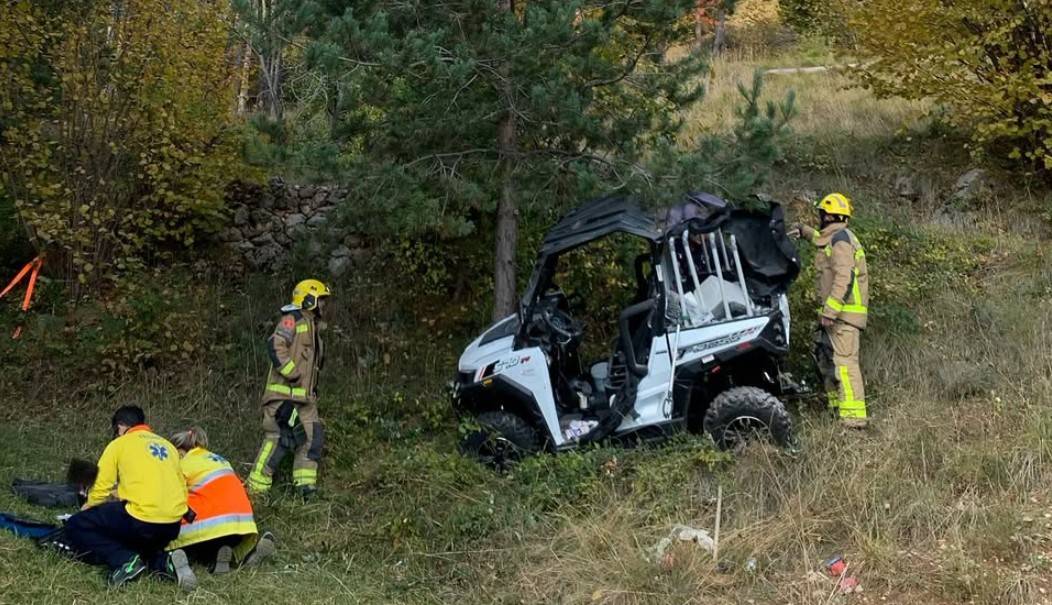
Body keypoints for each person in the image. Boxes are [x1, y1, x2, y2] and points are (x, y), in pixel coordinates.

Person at [64, 405, 197, 589]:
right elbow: (180, 487)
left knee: (77, 524)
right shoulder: (168, 446)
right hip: (171, 526)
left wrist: (88, 507)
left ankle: (124, 561)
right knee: (138, 541)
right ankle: (165, 563)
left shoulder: (119, 444)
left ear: (120, 426)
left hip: (141, 521)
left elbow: (101, 485)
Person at [792, 192, 870, 428]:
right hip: (838, 317)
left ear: (830, 216)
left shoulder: (842, 240)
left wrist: (830, 311)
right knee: (829, 365)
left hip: (843, 318)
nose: (820, 218)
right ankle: (837, 411)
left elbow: (844, 278)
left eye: (822, 214)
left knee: (845, 365)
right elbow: (820, 240)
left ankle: (854, 420)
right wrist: (804, 232)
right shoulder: (836, 237)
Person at [248, 279, 331, 497]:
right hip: (283, 397)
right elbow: (275, 345)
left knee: (313, 438)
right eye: (321, 300)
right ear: (309, 299)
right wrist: (293, 373)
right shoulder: (291, 319)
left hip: (305, 400)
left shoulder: (313, 327)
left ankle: (305, 488)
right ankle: (256, 489)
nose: (324, 305)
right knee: (279, 440)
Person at [167, 426, 276, 573]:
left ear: (180, 451)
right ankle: (230, 556)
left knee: (178, 524)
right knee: (215, 540)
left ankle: (194, 558)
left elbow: (170, 494)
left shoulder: (184, 463)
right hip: (240, 528)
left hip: (209, 528)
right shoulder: (219, 459)